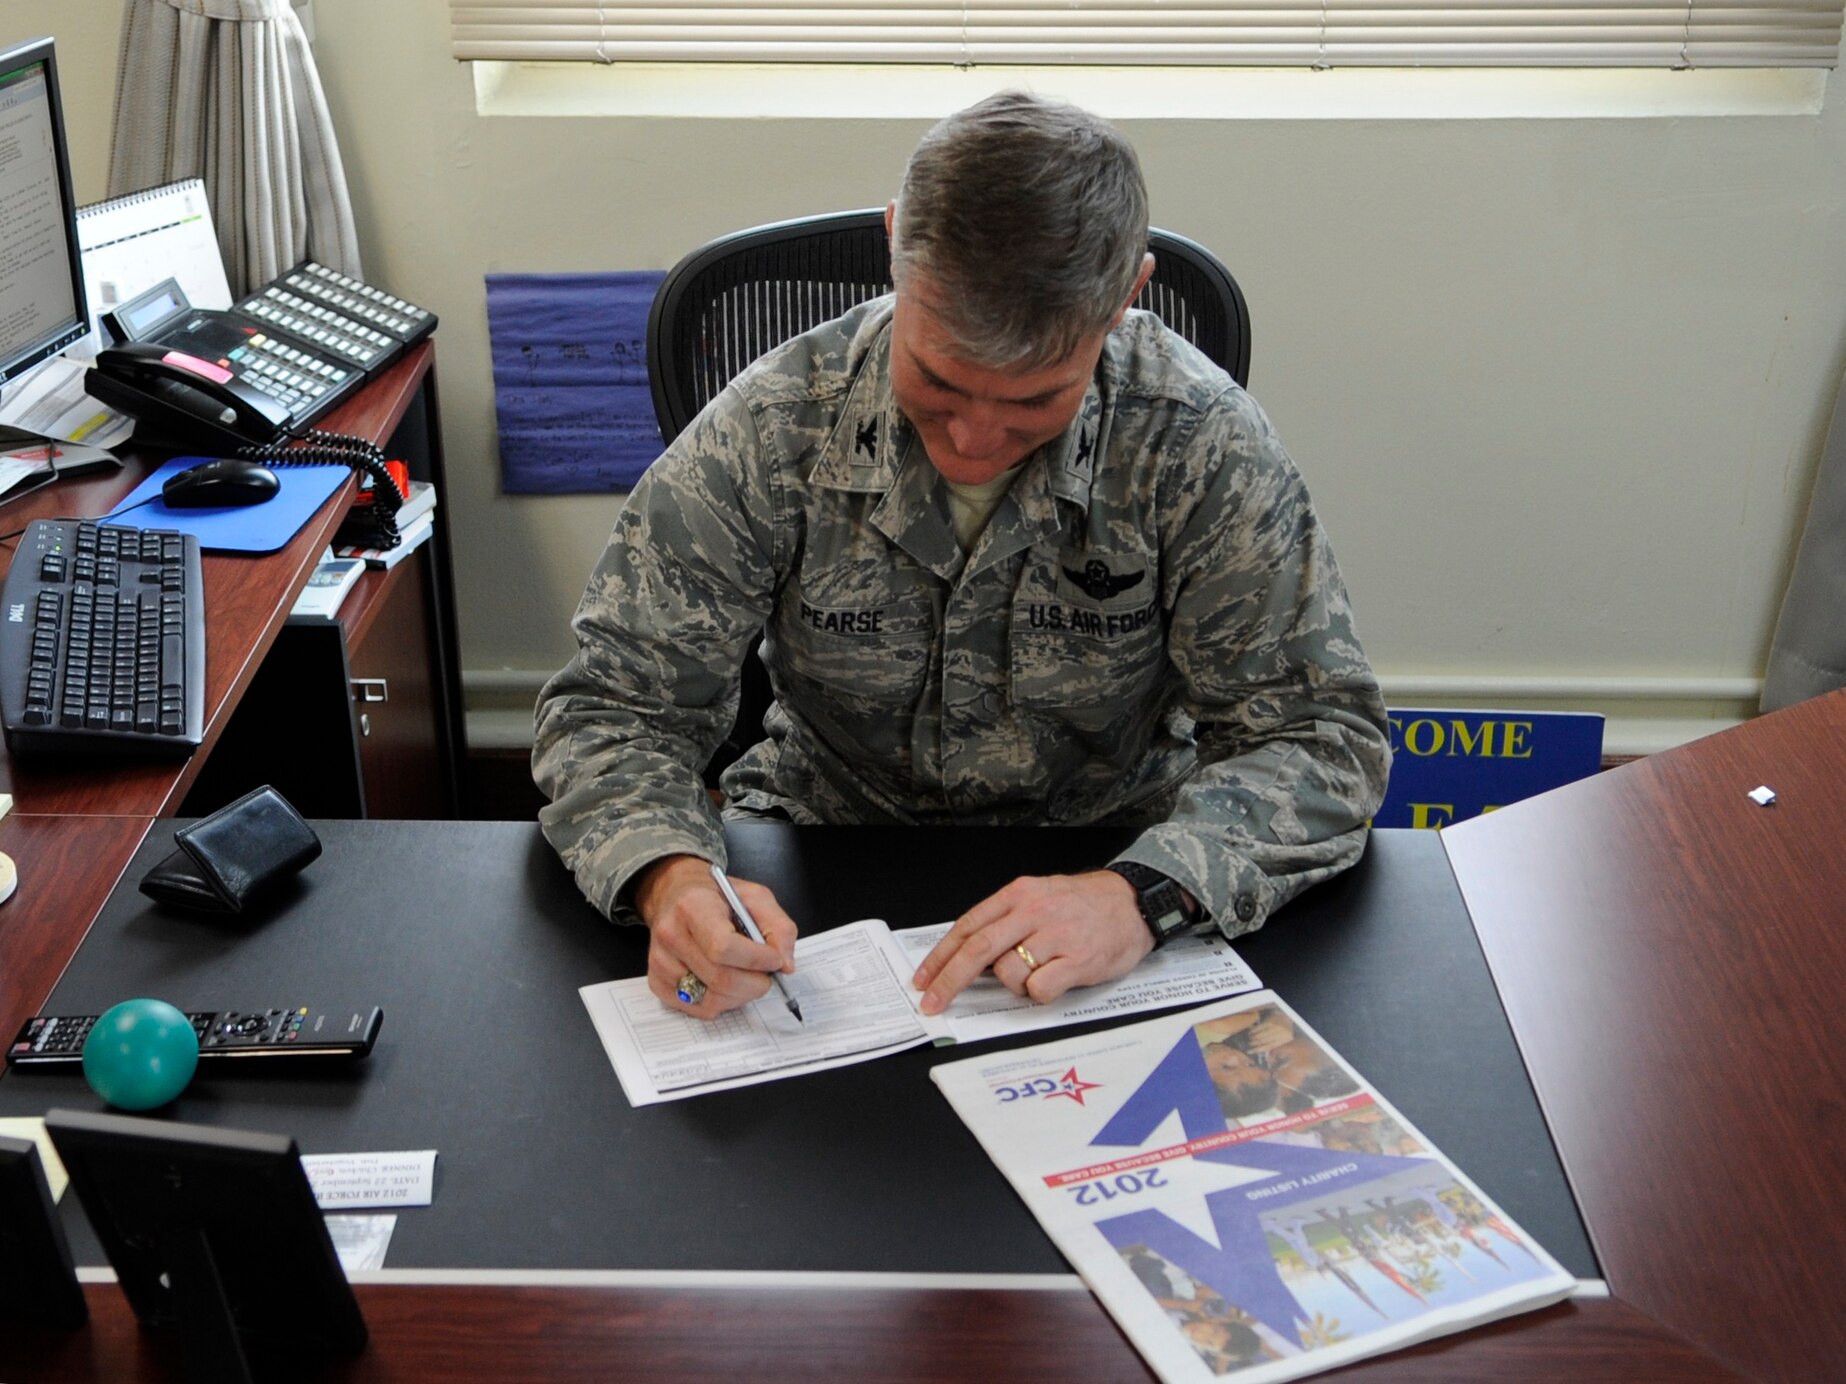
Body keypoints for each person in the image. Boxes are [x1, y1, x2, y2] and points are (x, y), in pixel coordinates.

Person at [533, 91, 1391, 1020]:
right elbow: (614, 705)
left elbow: (1316, 734)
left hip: (1110, 861)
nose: (975, 438)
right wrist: (671, 877)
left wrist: (1149, 892)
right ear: (896, 245)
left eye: (1034, 400)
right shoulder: (776, 426)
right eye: (937, 382)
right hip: (824, 857)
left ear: (1125, 300)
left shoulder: (1196, 441)